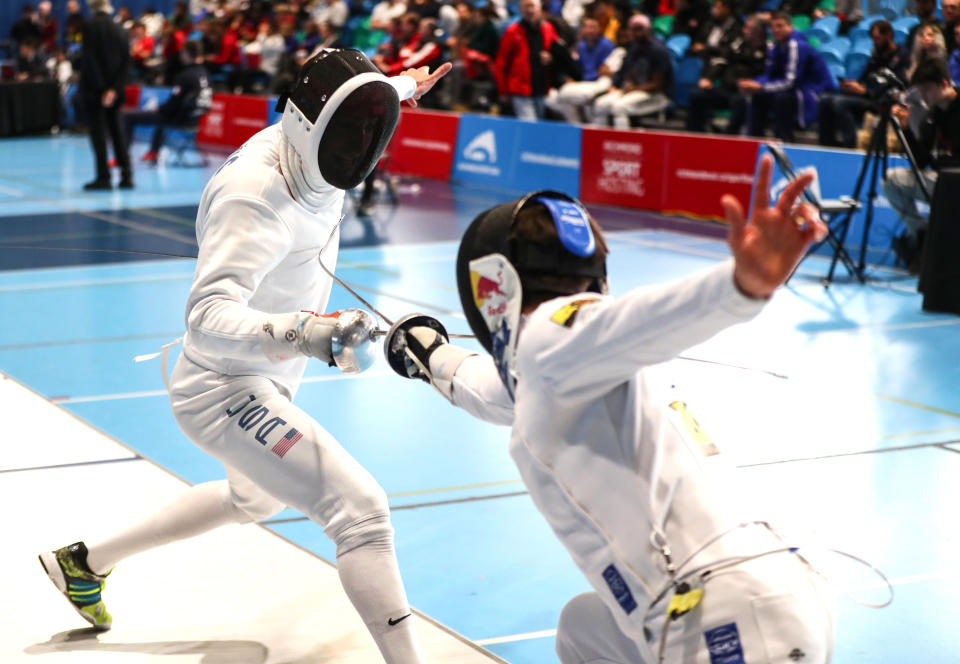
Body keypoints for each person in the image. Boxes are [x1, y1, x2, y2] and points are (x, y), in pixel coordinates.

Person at [39, 49, 452, 664]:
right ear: (311, 129)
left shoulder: (311, 141)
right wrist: (307, 332)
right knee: (361, 512)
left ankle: (83, 563)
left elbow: (347, 107)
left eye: (374, 125)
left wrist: (393, 88)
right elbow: (205, 321)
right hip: (222, 387)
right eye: (357, 125)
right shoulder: (257, 197)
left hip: (269, 373)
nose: (366, 139)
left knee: (254, 499)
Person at [384, 155, 835, 664]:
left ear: (493, 284)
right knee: (583, 629)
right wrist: (426, 353)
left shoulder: (553, 332)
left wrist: (739, 286)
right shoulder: (556, 371)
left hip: (730, 620)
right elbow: (493, 389)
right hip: (759, 595)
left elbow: (640, 318)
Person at [882, 58, 959, 272]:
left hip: (955, 183)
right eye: (920, 90)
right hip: (939, 183)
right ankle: (922, 233)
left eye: (927, 89)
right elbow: (920, 162)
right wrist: (906, 130)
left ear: (944, 83)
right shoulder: (931, 116)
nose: (923, 96)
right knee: (892, 180)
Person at [735, 12, 836, 142]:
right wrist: (753, 84)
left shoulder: (797, 45)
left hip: (812, 91)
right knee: (756, 96)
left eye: (780, 26)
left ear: (790, 27)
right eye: (773, 27)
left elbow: (791, 81)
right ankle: (754, 140)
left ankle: (785, 139)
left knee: (781, 99)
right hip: (793, 90)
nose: (776, 30)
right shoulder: (775, 46)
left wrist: (761, 87)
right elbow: (769, 74)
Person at [817, 20, 907, 148]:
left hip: (882, 101)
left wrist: (865, 91)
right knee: (825, 99)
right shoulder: (875, 55)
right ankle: (826, 144)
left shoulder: (902, 55)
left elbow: (898, 85)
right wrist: (852, 86)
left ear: (888, 35)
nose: (875, 42)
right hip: (866, 96)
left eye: (878, 38)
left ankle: (850, 145)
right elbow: (864, 79)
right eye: (873, 39)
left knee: (840, 103)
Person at [122, 40, 211, 165]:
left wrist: (159, 108)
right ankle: (153, 151)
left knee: (128, 117)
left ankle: (122, 157)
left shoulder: (185, 76)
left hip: (180, 119)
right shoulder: (205, 74)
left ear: (185, 53)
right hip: (195, 119)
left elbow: (174, 104)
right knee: (162, 117)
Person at [79, 0, 133, 191]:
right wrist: (114, 89)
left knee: (99, 134)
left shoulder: (89, 26)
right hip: (115, 92)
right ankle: (127, 175)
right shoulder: (120, 27)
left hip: (95, 91)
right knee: (117, 131)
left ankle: (104, 177)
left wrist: (103, 89)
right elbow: (127, 61)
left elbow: (90, 60)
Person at [685, 14, 767, 134]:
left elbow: (768, 73)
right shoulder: (737, 44)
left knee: (741, 102)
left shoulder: (767, 50)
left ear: (758, 31)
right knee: (697, 95)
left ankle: (729, 136)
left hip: (745, 92)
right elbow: (722, 61)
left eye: (748, 28)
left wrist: (754, 83)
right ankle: (695, 133)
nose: (744, 31)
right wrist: (708, 78)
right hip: (727, 88)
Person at [592, 13, 673, 129]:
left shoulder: (658, 50)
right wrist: (615, 85)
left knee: (619, 107)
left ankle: (624, 143)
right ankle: (599, 141)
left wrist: (633, 89)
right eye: (633, 30)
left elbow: (658, 85)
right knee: (601, 104)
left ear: (648, 29)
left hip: (657, 95)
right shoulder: (633, 48)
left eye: (640, 29)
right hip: (633, 91)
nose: (637, 33)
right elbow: (623, 71)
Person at [494, 0, 558, 120]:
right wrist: (502, 90)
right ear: (520, 10)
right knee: (530, 125)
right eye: (525, 7)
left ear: (539, 8)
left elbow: (558, 53)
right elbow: (501, 62)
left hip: (542, 88)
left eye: (532, 6)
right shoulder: (512, 31)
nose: (529, 10)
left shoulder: (549, 29)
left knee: (540, 127)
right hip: (520, 89)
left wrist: (551, 57)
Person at [546, 16, 616, 122]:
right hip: (583, 82)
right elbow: (576, 67)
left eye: (593, 27)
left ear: (599, 29)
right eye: (586, 27)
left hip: (599, 82)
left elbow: (606, 70)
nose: (589, 30)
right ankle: (576, 126)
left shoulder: (607, 45)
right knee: (559, 98)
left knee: (569, 95)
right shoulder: (581, 45)